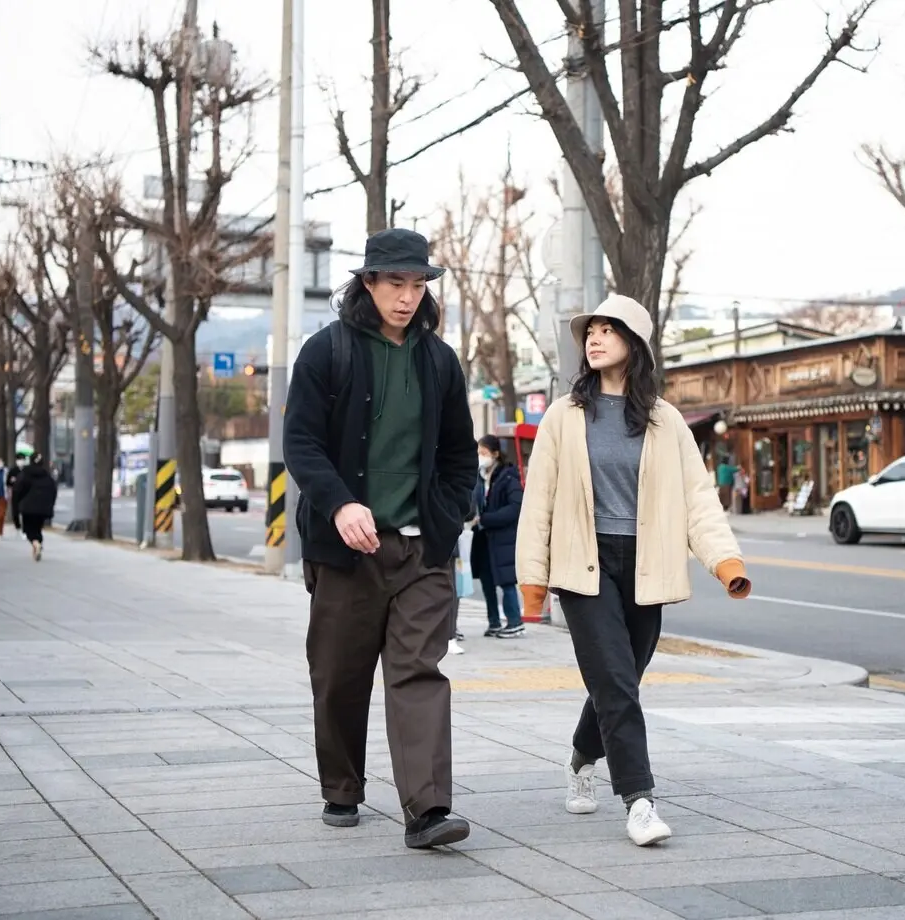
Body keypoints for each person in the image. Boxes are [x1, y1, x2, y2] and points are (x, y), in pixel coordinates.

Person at [516, 294, 752, 847]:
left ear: (635, 344)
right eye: (589, 331)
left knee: (619, 680)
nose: (593, 338)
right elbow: (540, 502)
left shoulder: (665, 421)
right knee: (618, 683)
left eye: (607, 330)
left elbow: (698, 500)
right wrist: (532, 580)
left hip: (647, 567)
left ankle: (580, 758)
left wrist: (725, 561)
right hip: (584, 567)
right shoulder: (564, 415)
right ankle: (640, 802)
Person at [284, 227, 478, 850]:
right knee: (339, 674)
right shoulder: (326, 351)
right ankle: (342, 786)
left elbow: (458, 456)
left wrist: (446, 520)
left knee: (418, 671)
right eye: (395, 282)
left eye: (418, 284)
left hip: (421, 551)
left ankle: (427, 809)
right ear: (368, 282)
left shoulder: (440, 361)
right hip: (346, 549)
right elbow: (301, 444)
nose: (407, 296)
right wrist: (340, 504)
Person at [470, 434, 525, 637]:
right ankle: (494, 622)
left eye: (484, 453)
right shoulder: (480, 477)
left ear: (495, 454)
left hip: (502, 538)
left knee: (506, 580)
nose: (480, 457)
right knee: (486, 580)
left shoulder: (508, 476)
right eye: (478, 453)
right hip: (483, 538)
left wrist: (486, 519)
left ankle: (515, 622)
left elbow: (515, 507)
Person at [12, 454, 57, 561]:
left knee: (28, 529)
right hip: (43, 508)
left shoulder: (25, 474)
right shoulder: (47, 476)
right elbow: (53, 492)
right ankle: (37, 546)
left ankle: (36, 544)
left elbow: (17, 492)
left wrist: (16, 511)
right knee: (37, 528)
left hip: (28, 508)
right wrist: (50, 506)